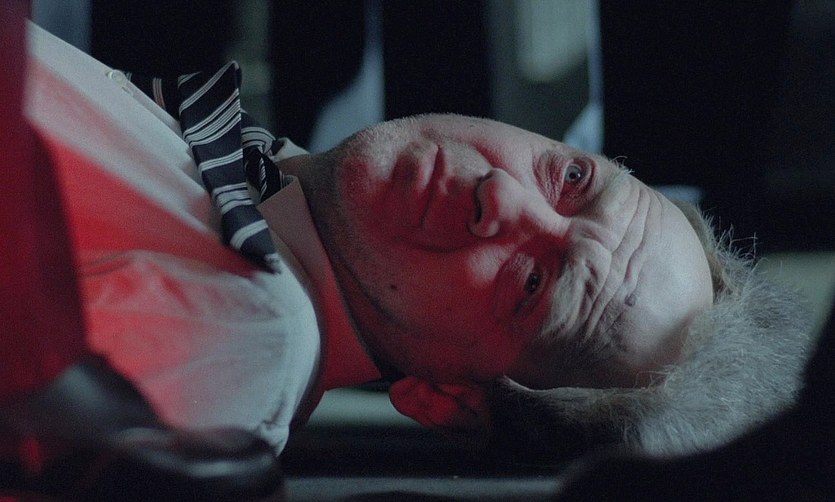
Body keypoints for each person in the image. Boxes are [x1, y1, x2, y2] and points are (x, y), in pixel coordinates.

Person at [6, 13, 813, 489]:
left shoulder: (252, 342)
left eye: (532, 283)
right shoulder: (253, 201)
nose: (502, 197)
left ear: (445, 399)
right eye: (571, 179)